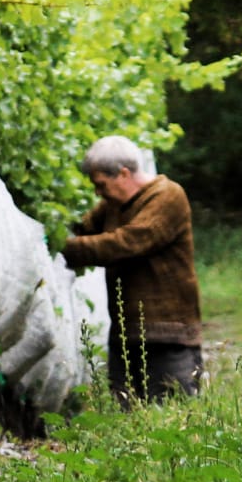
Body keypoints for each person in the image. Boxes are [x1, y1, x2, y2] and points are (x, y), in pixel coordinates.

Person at [61, 136, 202, 407]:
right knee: (129, 413)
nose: (98, 192)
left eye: (101, 184)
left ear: (124, 174)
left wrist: (67, 247)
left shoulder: (167, 196)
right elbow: (83, 229)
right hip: (127, 332)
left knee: (174, 412)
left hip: (168, 333)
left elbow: (128, 242)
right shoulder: (113, 205)